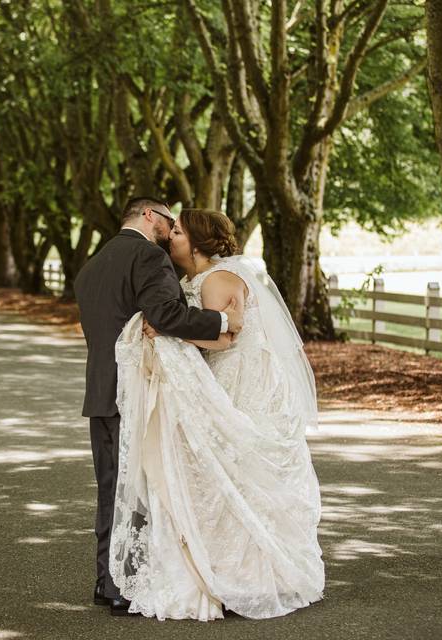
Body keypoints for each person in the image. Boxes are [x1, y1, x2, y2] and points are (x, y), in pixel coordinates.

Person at [110, 208, 325, 621]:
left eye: (177, 231)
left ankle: (248, 576)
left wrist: (166, 329)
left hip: (243, 382)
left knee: (233, 470)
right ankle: (242, 570)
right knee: (232, 473)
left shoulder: (216, 279)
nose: (169, 236)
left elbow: (223, 340)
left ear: (199, 241)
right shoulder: (202, 278)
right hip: (238, 376)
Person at [73, 198, 244, 616]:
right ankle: (128, 581)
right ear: (150, 216)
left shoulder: (91, 266)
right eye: (170, 221)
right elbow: (165, 314)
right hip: (137, 392)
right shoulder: (148, 256)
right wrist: (223, 322)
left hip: (99, 390)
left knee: (112, 488)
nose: (172, 231)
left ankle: (108, 581)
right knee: (143, 489)